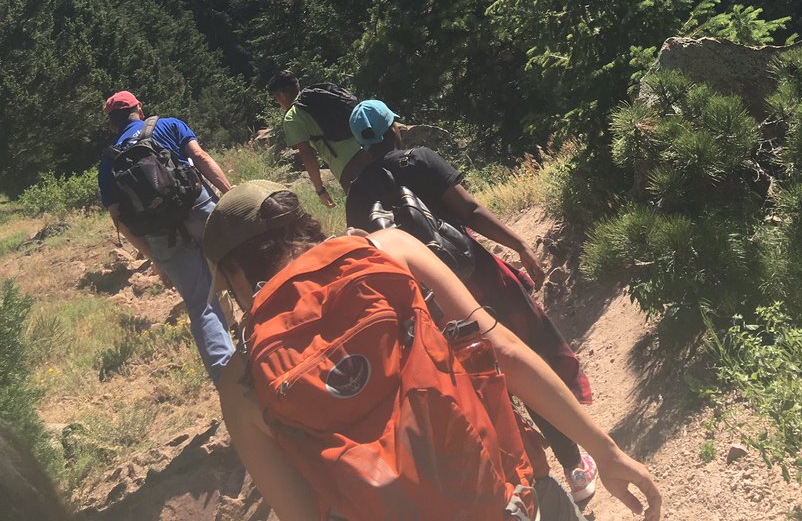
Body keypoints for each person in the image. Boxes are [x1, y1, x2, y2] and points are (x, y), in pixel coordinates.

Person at [204, 181, 662, 521]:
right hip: (511, 497)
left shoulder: (242, 379)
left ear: (232, 275)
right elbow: (503, 349)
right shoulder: (387, 251)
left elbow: (304, 515)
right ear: (304, 225)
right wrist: (605, 452)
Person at [345, 100, 599, 505]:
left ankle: (528, 486)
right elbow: (470, 210)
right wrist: (519, 244)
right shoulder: (420, 159)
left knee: (483, 387)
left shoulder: (357, 195)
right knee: (528, 360)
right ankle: (575, 466)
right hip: (477, 277)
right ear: (394, 128)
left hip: (430, 305)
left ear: (361, 144)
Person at [97, 90, 235, 384]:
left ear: (112, 124)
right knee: (241, 269)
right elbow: (200, 157)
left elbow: (119, 219)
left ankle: (230, 382)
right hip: (201, 211)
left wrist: (154, 258)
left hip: (162, 235)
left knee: (200, 304)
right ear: (139, 109)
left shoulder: (108, 161)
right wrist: (231, 194)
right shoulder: (168, 124)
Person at [266, 71, 368, 210]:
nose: (278, 102)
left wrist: (320, 190)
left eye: (276, 98)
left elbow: (307, 154)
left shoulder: (292, 116)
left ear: (283, 95)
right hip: (368, 148)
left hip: (348, 165)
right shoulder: (320, 96)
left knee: (365, 212)